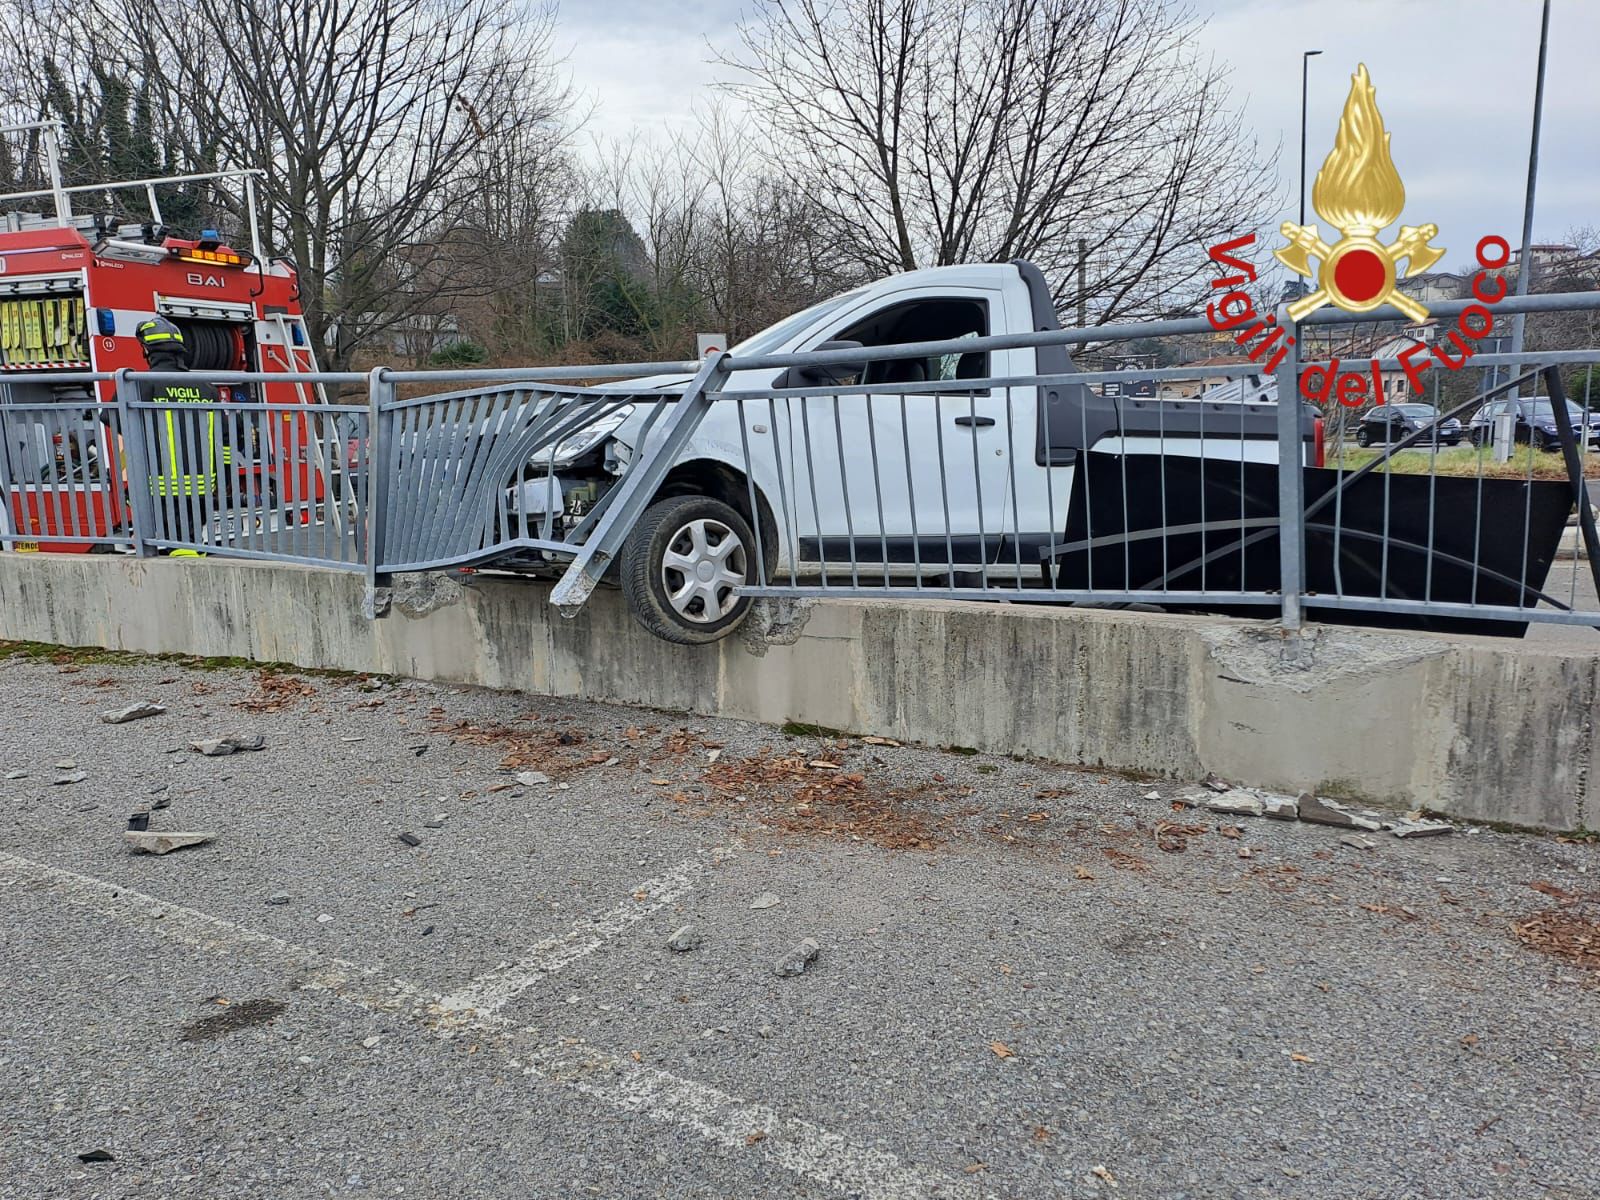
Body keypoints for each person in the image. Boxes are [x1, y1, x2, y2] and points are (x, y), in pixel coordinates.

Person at [135, 317, 220, 550]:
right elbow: (228, 433)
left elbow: (117, 422)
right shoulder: (206, 387)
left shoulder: (142, 384)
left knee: (175, 547)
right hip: (202, 486)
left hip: (161, 487)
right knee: (194, 542)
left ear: (146, 349)